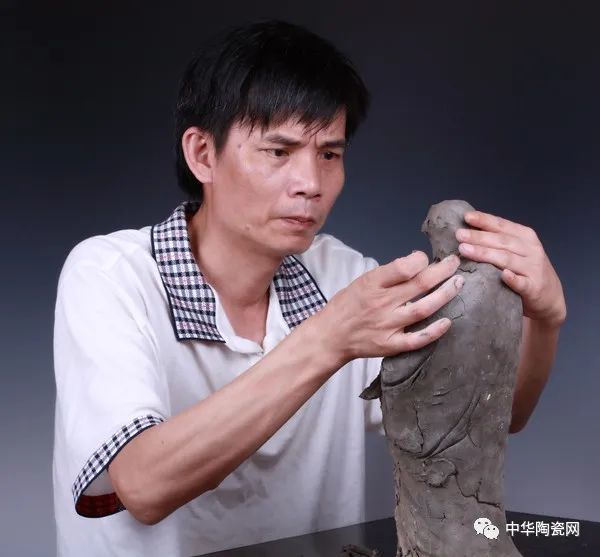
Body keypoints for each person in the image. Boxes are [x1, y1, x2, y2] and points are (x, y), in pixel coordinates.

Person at [52, 19, 567, 557]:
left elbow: (492, 416)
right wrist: (329, 338)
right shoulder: (110, 275)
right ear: (203, 154)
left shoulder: (342, 275)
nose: (311, 184)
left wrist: (545, 320)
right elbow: (142, 486)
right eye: (279, 152)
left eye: (329, 154)